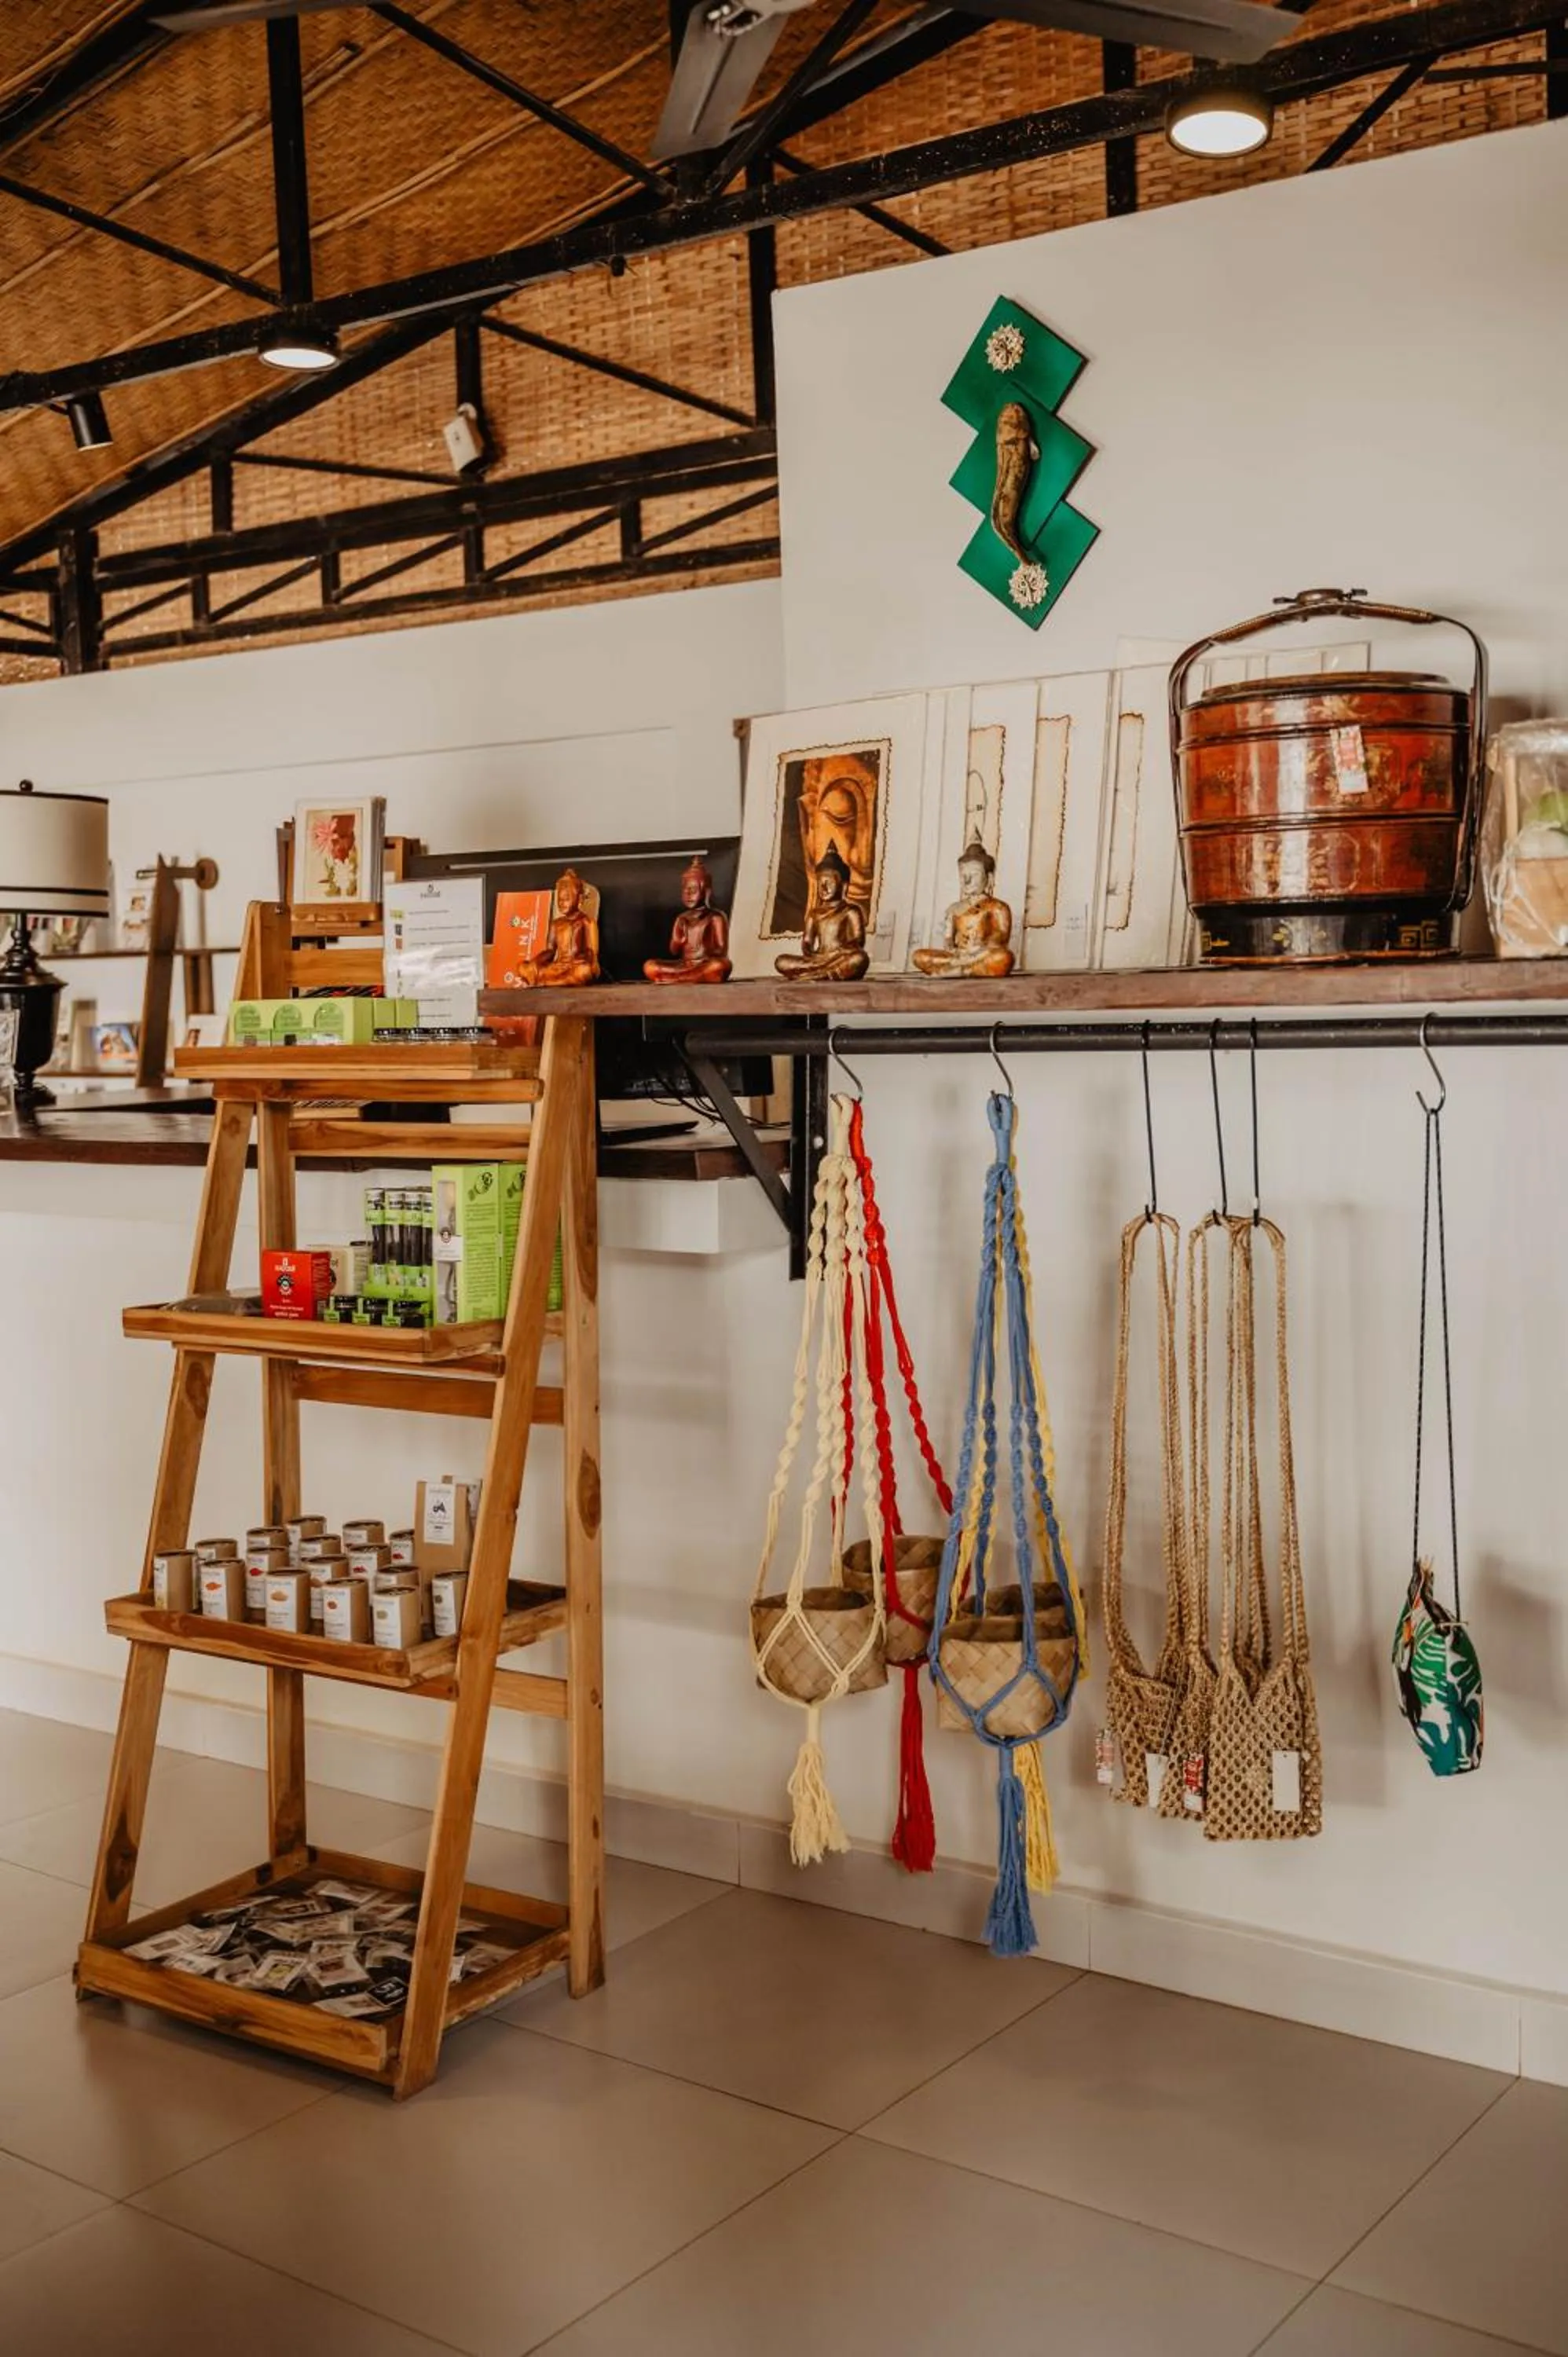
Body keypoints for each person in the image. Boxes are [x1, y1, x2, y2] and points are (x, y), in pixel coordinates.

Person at [912, 838, 1016, 978]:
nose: (967, 880)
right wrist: (953, 949)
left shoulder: (998, 907)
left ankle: (957, 971)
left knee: (1004, 957)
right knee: (919, 956)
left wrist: (978, 949)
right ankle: (965, 969)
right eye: (963, 875)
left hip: (981, 955)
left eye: (974, 875)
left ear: (989, 878)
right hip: (960, 957)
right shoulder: (954, 908)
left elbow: (1001, 938)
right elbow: (948, 941)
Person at [775, 843, 870, 981]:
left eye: (829, 883)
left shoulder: (851, 911)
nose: (824, 887)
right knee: (781, 961)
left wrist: (840, 951)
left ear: (843, 886)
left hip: (838, 957)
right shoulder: (814, 914)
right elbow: (807, 942)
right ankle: (823, 972)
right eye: (820, 883)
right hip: (818, 959)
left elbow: (858, 941)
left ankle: (819, 974)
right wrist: (810, 954)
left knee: (860, 958)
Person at [644, 855, 731, 984]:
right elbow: (674, 951)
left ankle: (677, 978)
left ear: (706, 892)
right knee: (650, 966)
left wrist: (705, 950)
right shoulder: (682, 918)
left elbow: (721, 950)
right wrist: (678, 939)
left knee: (720, 965)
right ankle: (690, 977)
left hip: (704, 964)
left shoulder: (715, 917)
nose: (689, 895)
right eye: (686, 891)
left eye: (694, 890)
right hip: (685, 965)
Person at [511, 868, 599, 987]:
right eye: (560, 899)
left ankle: (547, 983)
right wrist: (535, 962)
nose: (562, 903)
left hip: (575, 966)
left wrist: (583, 958)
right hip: (558, 967)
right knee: (522, 967)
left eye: (566, 899)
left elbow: (592, 951)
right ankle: (554, 982)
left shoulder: (587, 922)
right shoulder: (556, 924)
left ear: (580, 899)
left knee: (584, 971)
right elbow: (550, 951)